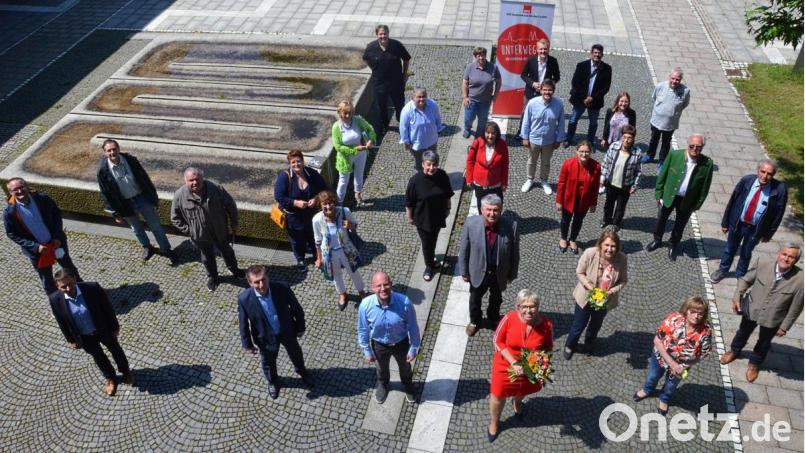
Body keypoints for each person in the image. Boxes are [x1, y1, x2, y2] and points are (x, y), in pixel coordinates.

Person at [720, 245, 803, 383]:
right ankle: (734, 351)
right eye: (784, 254)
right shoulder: (762, 263)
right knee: (742, 332)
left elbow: (796, 307)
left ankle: (754, 363)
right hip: (752, 309)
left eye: (791, 257)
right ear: (779, 253)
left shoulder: (801, 280)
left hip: (774, 317)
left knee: (764, 342)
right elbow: (746, 279)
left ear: (796, 260)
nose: (786, 258)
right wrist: (737, 296)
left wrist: (784, 326)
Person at [48, 269, 132, 397]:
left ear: (75, 279)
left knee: (116, 350)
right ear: (57, 286)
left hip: (103, 329)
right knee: (98, 357)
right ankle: (111, 378)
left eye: (70, 283)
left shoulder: (92, 288)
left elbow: (107, 307)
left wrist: (114, 326)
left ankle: (125, 371)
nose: (68, 288)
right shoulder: (55, 299)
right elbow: (61, 322)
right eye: (63, 286)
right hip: (84, 336)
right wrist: (71, 339)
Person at [238, 265, 314, 399]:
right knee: (268, 361)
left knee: (296, 353)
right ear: (250, 283)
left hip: (287, 330)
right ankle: (273, 381)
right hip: (265, 338)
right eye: (256, 282)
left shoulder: (282, 288)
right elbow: (243, 323)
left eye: (263, 280)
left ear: (267, 277)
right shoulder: (244, 299)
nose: (261, 285)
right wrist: (247, 344)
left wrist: (301, 327)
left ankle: (303, 372)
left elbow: (297, 308)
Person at [487, 289, 553, 443]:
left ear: (538, 307)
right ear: (518, 307)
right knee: (498, 394)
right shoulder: (509, 318)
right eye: (524, 306)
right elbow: (497, 340)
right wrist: (513, 362)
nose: (528, 310)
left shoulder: (546, 325)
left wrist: (540, 366)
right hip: (505, 364)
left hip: (529, 367)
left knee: (523, 389)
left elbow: (547, 348)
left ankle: (517, 402)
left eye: (532, 306)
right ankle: (495, 422)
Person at [96, 139, 176, 264]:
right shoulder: (102, 171)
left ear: (118, 149)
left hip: (142, 198)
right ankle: (147, 247)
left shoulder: (130, 160)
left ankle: (166, 249)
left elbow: (144, 177)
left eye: (114, 149)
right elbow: (106, 194)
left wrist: (153, 196)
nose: (112, 152)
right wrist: (115, 213)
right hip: (125, 204)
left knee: (156, 226)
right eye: (109, 150)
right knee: (136, 229)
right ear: (105, 153)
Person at [710, 159, 787, 283]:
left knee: (746, 253)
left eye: (769, 174)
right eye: (762, 172)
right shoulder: (747, 181)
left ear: (773, 175)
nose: (765, 176)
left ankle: (741, 275)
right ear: (758, 170)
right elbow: (733, 200)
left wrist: (769, 234)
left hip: (756, 229)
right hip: (738, 224)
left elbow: (778, 214)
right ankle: (723, 270)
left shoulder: (779, 189)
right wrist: (725, 222)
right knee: (730, 248)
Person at [634, 297, 713, 415]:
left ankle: (664, 399)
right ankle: (647, 390)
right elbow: (657, 340)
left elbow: (703, 353)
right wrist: (672, 363)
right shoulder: (674, 320)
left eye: (700, 314)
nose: (696, 316)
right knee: (653, 376)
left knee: (671, 385)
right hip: (660, 357)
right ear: (686, 310)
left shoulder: (705, 332)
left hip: (682, 366)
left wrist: (685, 365)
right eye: (693, 312)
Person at [4, 177, 82, 296]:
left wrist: (56, 237)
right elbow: (12, 234)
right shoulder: (10, 212)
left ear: (26, 186)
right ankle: (57, 302)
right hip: (38, 252)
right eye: (15, 190)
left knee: (69, 268)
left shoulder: (42, 199)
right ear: (10, 192)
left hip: (56, 243)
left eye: (21, 187)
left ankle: (83, 291)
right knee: (47, 279)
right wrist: (35, 247)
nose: (20, 191)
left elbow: (56, 215)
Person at [171, 167, 244, 292]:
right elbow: (175, 218)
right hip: (200, 237)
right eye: (191, 180)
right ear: (185, 181)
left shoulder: (216, 188)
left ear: (202, 178)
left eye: (197, 179)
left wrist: (234, 223)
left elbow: (230, 205)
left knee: (227, 251)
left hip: (220, 231)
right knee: (207, 258)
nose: (195, 182)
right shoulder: (179, 195)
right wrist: (191, 231)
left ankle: (235, 270)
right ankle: (213, 277)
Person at [458, 194, 520, 337]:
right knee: (474, 300)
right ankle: (475, 321)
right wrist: (464, 271)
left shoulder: (511, 226)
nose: (492, 213)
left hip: (499, 273)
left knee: (497, 298)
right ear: (482, 210)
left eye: (496, 210)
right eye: (489, 210)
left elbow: (515, 253)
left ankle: (493, 318)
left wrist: (512, 273)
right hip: (478, 272)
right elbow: (464, 250)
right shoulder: (471, 224)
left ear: (501, 209)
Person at [646, 134, 713, 261]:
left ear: (702, 147)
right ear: (687, 144)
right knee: (662, 218)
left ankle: (673, 244)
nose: (694, 149)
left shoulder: (707, 164)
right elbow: (662, 175)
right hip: (670, 195)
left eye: (698, 147)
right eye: (691, 146)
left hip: (687, 200)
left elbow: (705, 188)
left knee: (680, 224)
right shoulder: (674, 155)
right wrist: (658, 193)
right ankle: (657, 240)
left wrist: (697, 205)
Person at [357, 271, 420, 404]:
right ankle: (383, 384)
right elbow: (363, 329)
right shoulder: (365, 305)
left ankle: (407, 384)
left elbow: (413, 326)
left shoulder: (404, 303)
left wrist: (413, 348)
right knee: (381, 368)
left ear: (391, 285)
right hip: (379, 345)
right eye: (378, 286)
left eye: (386, 284)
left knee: (405, 367)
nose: (383, 289)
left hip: (401, 343)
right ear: (373, 288)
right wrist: (366, 349)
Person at [564, 229, 628, 360]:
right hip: (585, 297)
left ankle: (589, 344)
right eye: (607, 245)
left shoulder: (622, 259)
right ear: (601, 244)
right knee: (578, 325)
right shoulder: (590, 253)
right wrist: (588, 284)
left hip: (604, 300)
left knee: (595, 325)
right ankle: (570, 345)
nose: (609, 249)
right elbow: (579, 272)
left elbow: (623, 280)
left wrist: (611, 291)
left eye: (613, 246)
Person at [274, 150, 328, 272]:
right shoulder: (284, 176)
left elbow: (324, 189)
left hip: (311, 214)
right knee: (297, 240)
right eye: (293, 162)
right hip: (293, 217)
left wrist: (316, 198)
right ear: (289, 164)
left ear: (303, 161)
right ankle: (300, 259)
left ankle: (317, 255)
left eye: (298, 161)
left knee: (314, 235)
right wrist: (295, 203)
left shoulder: (311, 173)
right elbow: (279, 196)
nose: (296, 164)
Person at [313, 191, 366, 311]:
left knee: (353, 271)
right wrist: (319, 258)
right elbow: (317, 240)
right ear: (320, 205)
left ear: (334, 202)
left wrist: (350, 226)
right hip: (330, 253)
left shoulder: (344, 211)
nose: (328, 207)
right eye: (324, 204)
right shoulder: (316, 220)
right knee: (336, 275)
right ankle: (342, 294)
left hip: (346, 249)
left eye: (330, 203)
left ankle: (361, 291)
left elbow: (356, 225)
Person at [405, 150, 453, 282]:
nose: (432, 168)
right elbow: (409, 202)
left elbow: (447, 193)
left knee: (433, 239)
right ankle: (429, 266)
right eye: (429, 164)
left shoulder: (442, 175)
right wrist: (410, 217)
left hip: (438, 215)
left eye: (434, 164)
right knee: (427, 243)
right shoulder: (415, 181)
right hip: (422, 218)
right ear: (422, 165)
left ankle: (431, 259)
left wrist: (448, 208)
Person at [519, 79, 565, 195]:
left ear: (553, 91)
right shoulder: (532, 103)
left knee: (546, 162)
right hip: (534, 138)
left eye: (550, 90)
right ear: (540, 90)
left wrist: (559, 139)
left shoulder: (558, 104)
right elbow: (526, 121)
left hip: (549, 140)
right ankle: (530, 179)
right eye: (545, 90)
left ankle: (544, 180)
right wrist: (525, 137)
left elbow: (561, 123)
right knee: (531, 161)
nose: (547, 92)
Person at [362, 24, 411, 134]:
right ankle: (385, 126)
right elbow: (366, 59)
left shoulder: (396, 45)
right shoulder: (371, 47)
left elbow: (406, 58)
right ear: (376, 35)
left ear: (388, 34)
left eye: (385, 34)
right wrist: (374, 69)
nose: (383, 36)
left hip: (396, 82)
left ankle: (402, 122)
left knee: (399, 104)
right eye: (380, 34)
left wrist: (404, 74)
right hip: (380, 83)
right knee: (382, 106)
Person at [556, 141, 601, 254]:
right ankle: (563, 238)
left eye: (587, 152)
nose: (584, 154)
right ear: (577, 151)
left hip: (584, 201)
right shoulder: (568, 164)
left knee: (578, 221)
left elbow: (595, 187)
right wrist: (559, 201)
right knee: (565, 220)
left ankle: (572, 239)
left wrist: (593, 203)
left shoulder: (596, 167)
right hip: (569, 199)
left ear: (591, 152)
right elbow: (561, 183)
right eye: (581, 151)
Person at [565, 44, 612, 146]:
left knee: (593, 122)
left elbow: (605, 88)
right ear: (591, 54)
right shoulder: (581, 65)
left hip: (595, 101)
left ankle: (590, 142)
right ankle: (568, 139)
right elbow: (575, 83)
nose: (597, 55)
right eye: (595, 53)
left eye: (599, 53)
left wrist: (592, 98)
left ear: (602, 55)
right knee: (573, 120)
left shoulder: (607, 69)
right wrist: (584, 98)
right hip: (579, 99)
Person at [332, 100, 376, 207]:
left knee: (359, 175)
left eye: (350, 113)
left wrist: (371, 140)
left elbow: (370, 129)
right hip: (345, 158)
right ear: (339, 113)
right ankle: (339, 202)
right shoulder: (336, 127)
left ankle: (358, 195)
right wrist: (354, 150)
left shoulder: (358, 120)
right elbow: (338, 146)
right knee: (343, 181)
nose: (348, 115)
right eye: (345, 113)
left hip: (361, 153)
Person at [599, 125, 642, 230]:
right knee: (608, 204)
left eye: (629, 138)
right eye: (624, 137)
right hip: (611, 183)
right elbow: (606, 162)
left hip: (625, 185)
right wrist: (602, 177)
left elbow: (638, 171)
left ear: (633, 139)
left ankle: (616, 223)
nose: (626, 140)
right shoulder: (614, 146)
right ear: (621, 137)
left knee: (620, 207)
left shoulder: (637, 153)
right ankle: (606, 219)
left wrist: (635, 185)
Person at [644, 68, 690, 164]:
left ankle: (662, 161)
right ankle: (649, 155)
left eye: (677, 79)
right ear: (669, 77)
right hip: (656, 121)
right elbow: (654, 98)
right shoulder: (660, 86)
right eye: (672, 78)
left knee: (666, 143)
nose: (674, 81)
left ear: (680, 80)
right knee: (653, 140)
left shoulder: (685, 91)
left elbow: (684, 104)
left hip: (670, 124)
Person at [399, 87, 445, 172]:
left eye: (423, 96)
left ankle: (431, 176)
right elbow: (403, 128)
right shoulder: (407, 110)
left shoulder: (433, 105)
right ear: (413, 98)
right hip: (417, 144)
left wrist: (439, 129)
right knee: (419, 165)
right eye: (418, 97)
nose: (421, 99)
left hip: (431, 141)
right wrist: (406, 141)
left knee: (431, 162)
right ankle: (420, 179)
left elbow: (438, 118)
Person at [465, 121, 509, 209]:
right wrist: (469, 179)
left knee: (496, 206)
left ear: (497, 134)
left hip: (495, 184)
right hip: (479, 184)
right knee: (481, 206)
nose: (490, 136)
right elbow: (470, 161)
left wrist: (504, 182)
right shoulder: (477, 142)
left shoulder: (502, 144)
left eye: (493, 133)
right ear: (484, 133)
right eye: (488, 133)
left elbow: (505, 165)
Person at [462, 47, 501, 138]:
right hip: (472, 100)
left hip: (485, 101)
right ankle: (467, 129)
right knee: (469, 118)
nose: (481, 58)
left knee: (482, 120)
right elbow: (465, 82)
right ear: (475, 57)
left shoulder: (493, 68)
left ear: (485, 55)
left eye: (483, 55)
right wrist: (465, 97)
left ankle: (479, 133)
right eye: (478, 56)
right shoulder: (470, 67)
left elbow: (498, 82)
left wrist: (495, 95)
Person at [520, 39, 560, 105]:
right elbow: (523, 75)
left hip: (545, 94)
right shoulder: (531, 60)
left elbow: (557, 77)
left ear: (548, 49)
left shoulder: (553, 61)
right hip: (530, 93)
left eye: (545, 49)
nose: (543, 51)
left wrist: (547, 86)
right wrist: (533, 83)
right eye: (541, 49)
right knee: (526, 113)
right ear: (537, 49)